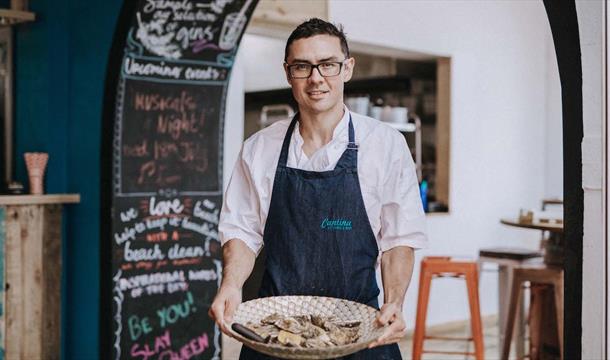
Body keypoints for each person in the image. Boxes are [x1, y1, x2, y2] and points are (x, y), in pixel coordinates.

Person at [209, 18, 428, 359]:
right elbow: (241, 230)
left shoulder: (385, 145)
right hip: (275, 331)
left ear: (347, 68)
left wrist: (395, 301)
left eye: (327, 64)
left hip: (360, 330)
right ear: (288, 72)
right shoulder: (259, 148)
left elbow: (398, 240)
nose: (316, 78)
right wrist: (231, 285)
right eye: (302, 66)